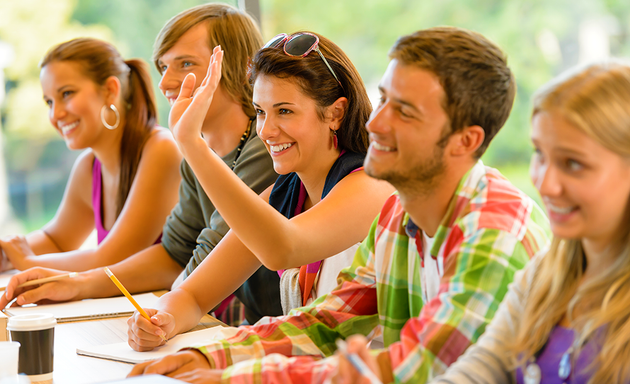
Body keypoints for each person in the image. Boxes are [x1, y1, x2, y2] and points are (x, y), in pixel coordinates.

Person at [127, 27, 550, 383]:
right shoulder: (400, 215)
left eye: (403, 111)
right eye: (383, 100)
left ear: (467, 141)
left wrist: (230, 374)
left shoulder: (494, 227)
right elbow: (326, 323)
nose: (375, 122)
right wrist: (209, 360)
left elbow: (419, 368)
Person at [0, 3, 278, 326]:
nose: (166, 83)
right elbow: (173, 253)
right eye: (163, 67)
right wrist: (77, 283)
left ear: (243, 69)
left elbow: (205, 257)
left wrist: (82, 280)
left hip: (272, 327)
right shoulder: (195, 159)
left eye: (185, 64)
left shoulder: (265, 150)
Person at [125, 29, 394, 351]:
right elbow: (193, 295)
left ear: (335, 113)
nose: (265, 130)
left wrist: (194, 146)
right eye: (261, 112)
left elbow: (283, 249)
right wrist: (162, 319)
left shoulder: (371, 185)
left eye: (284, 111)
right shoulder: (284, 194)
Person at [423, 61, 630, 383]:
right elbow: (482, 368)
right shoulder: (545, 272)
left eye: (573, 164)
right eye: (540, 154)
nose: (545, 184)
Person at [0, 38, 181, 272]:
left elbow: (113, 259)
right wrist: (6, 254)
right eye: (49, 102)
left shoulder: (161, 149)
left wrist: (27, 262)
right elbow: (57, 241)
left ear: (110, 91)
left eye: (66, 94)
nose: (56, 114)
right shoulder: (89, 166)